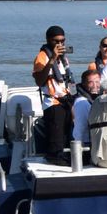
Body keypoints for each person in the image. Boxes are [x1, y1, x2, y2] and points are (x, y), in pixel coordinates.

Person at [32, 25, 75, 163]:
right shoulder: (42, 57)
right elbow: (39, 81)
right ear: (48, 40)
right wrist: (52, 60)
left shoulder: (64, 58)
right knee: (55, 139)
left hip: (67, 101)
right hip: (53, 102)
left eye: (62, 41)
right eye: (56, 41)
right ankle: (55, 160)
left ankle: (69, 160)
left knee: (68, 135)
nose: (59, 44)